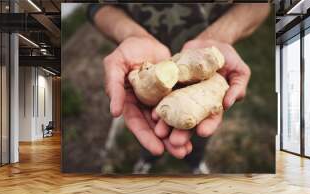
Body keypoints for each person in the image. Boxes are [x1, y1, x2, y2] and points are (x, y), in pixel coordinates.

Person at [88, 3, 270, 173]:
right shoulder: (153, 77)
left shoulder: (210, 73)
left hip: (202, 59)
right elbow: (96, 5)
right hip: (145, 60)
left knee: (198, 133)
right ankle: (148, 160)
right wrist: (132, 35)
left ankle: (195, 163)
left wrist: (218, 37)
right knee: (151, 131)